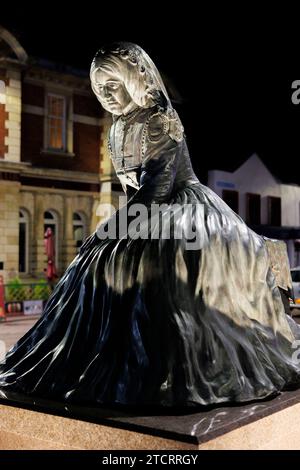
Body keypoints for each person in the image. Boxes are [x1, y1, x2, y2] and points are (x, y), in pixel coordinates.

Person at [0, 42, 300, 408]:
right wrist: (114, 231)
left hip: (182, 205)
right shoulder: (116, 129)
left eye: (112, 85)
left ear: (132, 80)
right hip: (146, 210)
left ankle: (170, 366)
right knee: (94, 262)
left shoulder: (160, 119)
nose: (106, 95)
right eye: (99, 89)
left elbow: (156, 188)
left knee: (165, 255)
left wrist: (111, 229)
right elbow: (133, 195)